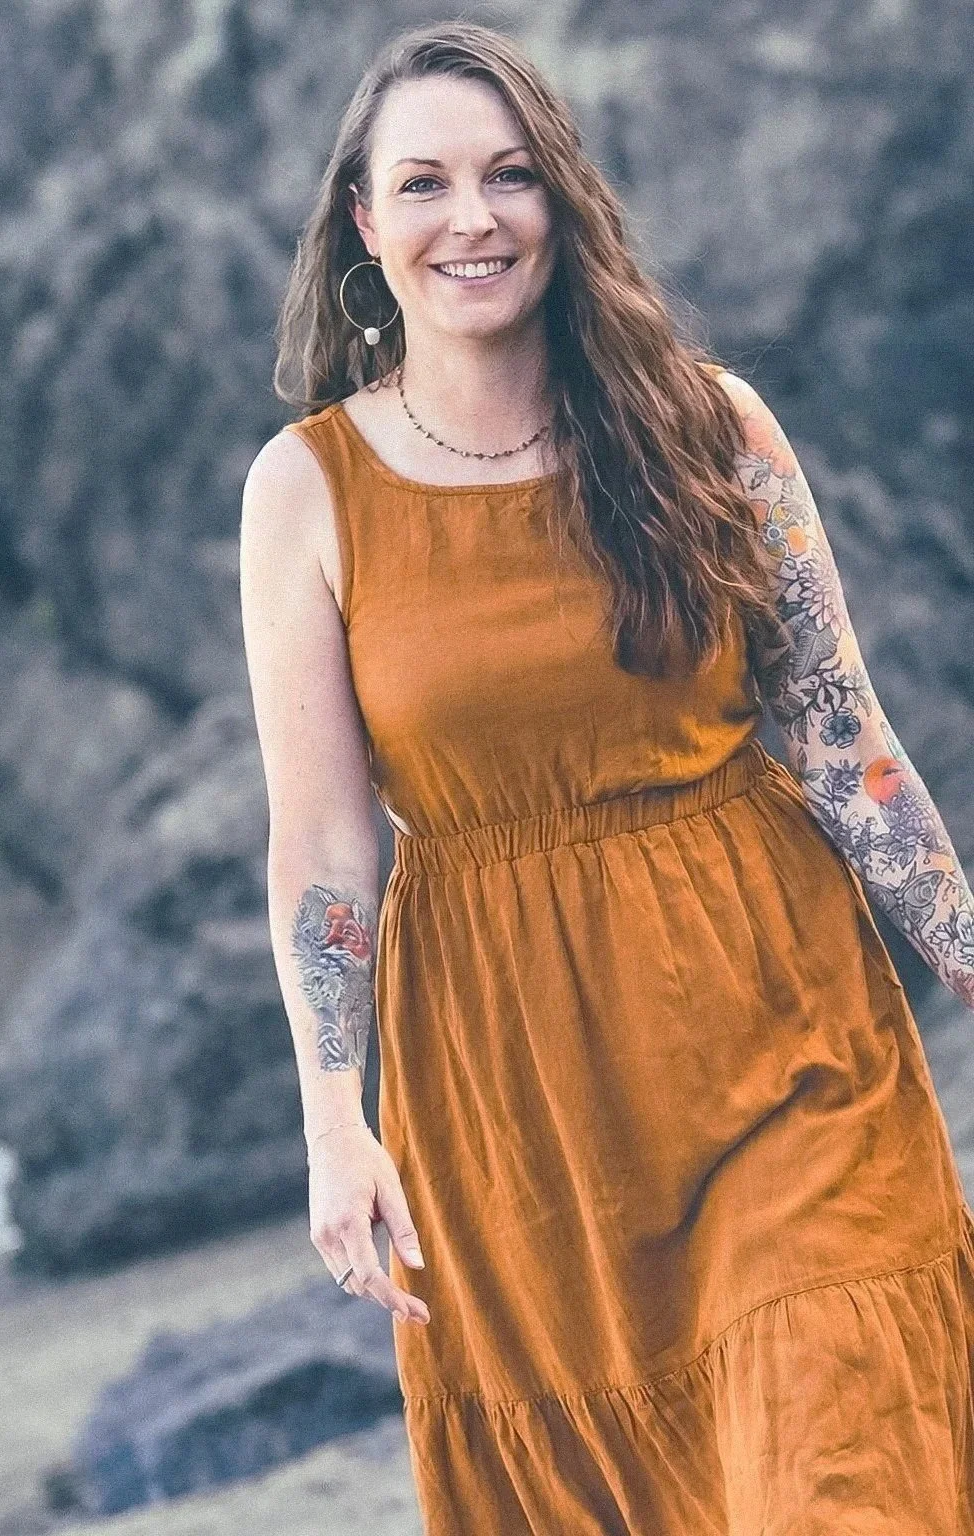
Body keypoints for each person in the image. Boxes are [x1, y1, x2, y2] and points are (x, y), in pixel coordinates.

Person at [238, 19, 974, 1533]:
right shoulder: (308, 489)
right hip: (519, 1105)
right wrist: (334, 1122)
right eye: (426, 184)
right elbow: (322, 846)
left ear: (561, 205)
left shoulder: (710, 427)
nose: (475, 217)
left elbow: (842, 739)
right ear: (366, 228)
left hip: (781, 1030)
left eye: (512, 177)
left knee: (845, 1463)